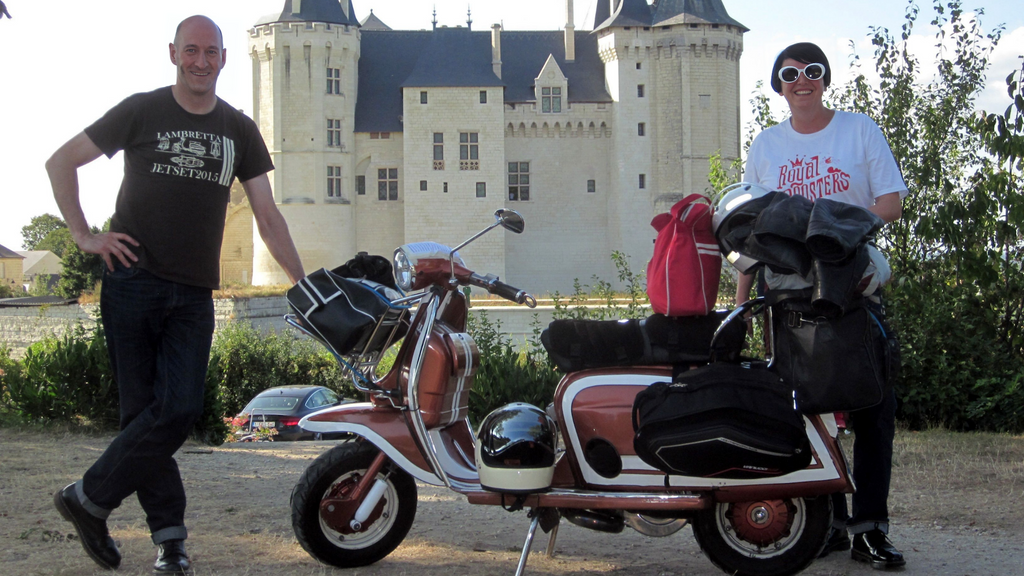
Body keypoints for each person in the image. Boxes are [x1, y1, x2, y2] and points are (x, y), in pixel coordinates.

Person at [45, 15, 305, 574]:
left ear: (224, 59)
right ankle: (171, 542)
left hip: (192, 293)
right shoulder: (140, 109)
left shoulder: (239, 129)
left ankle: (88, 498)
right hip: (131, 282)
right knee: (143, 415)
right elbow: (60, 161)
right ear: (172, 54)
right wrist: (84, 236)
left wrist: (302, 283)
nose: (200, 61)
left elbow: (267, 215)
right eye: (191, 51)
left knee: (178, 409)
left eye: (210, 52)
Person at [737, 42, 907, 569]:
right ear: (778, 84)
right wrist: (740, 307)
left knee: (873, 405)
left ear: (825, 78)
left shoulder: (859, 130)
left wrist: (842, 238)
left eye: (811, 71)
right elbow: (751, 230)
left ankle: (870, 527)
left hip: (851, 282)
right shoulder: (766, 144)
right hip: (788, 293)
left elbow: (891, 202)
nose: (801, 80)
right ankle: (831, 522)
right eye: (790, 73)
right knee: (805, 409)